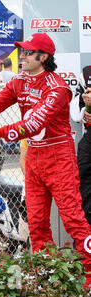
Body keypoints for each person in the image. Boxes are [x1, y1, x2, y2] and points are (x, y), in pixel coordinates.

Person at [0, 33, 91, 287]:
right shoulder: (19, 82)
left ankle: (89, 276)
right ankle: (48, 275)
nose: (21, 56)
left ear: (43, 57)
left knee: (73, 220)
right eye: (21, 51)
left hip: (59, 158)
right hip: (34, 158)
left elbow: (33, 124)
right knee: (36, 222)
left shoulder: (57, 88)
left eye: (28, 52)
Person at [70, 70, 91, 225]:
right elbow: (76, 114)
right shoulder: (86, 72)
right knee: (83, 186)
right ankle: (85, 241)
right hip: (88, 140)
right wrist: (86, 109)